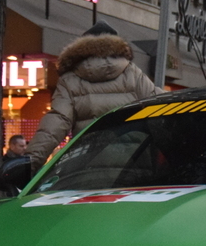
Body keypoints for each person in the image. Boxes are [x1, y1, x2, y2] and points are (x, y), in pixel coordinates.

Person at [24, 21, 160, 167]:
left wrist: (30, 162)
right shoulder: (133, 74)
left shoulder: (70, 80)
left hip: (88, 165)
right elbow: (159, 105)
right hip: (134, 162)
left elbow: (57, 121)